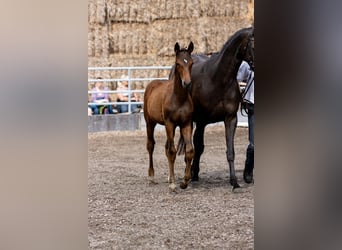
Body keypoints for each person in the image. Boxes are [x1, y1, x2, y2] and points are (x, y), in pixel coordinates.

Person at [237, 60, 254, 183]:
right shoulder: (247, 64)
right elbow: (236, 79)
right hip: (254, 105)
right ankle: (248, 169)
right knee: (254, 144)